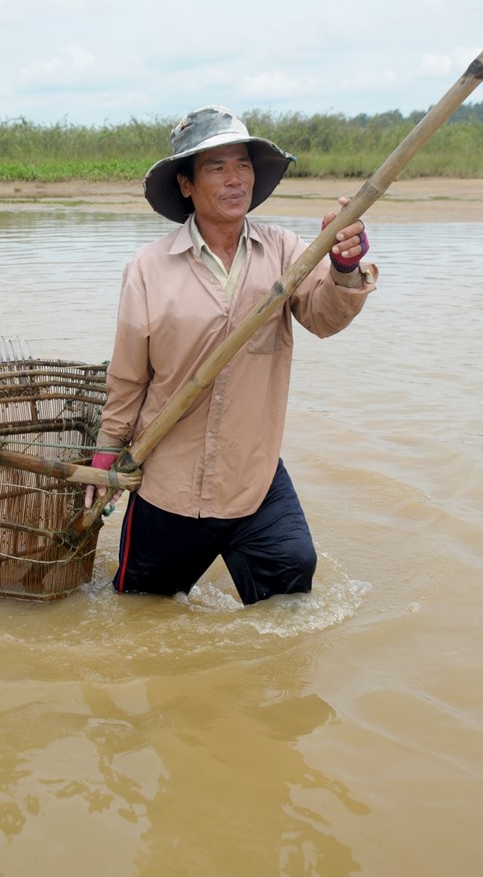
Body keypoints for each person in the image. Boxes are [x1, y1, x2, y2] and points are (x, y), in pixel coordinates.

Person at [85, 105, 378, 605]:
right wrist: (107, 457)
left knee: (293, 574)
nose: (234, 179)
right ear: (186, 185)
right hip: (170, 483)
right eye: (216, 167)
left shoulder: (286, 252)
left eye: (242, 165)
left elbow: (325, 317)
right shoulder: (149, 268)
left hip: (253, 475)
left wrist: (344, 265)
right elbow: (129, 375)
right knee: (139, 607)